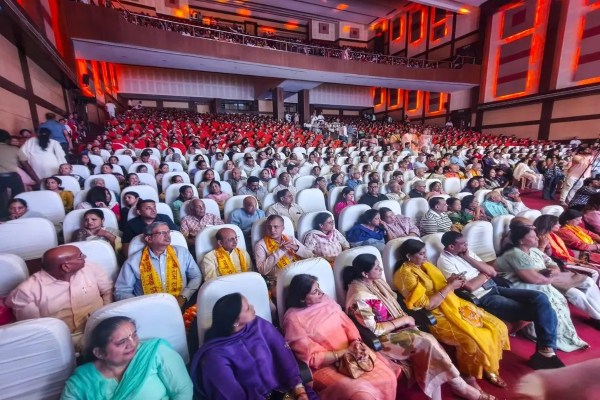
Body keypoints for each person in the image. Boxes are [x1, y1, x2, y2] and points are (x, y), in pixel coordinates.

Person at [344, 254, 495, 400]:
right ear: (365, 274)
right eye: (377, 268)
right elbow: (374, 329)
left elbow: (395, 302)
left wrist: (405, 321)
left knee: (430, 348)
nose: (381, 270)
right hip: (382, 338)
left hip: (399, 328)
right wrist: (404, 320)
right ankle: (461, 388)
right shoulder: (360, 296)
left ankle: (458, 389)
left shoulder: (375, 282)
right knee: (427, 342)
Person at [438, 232, 564, 369]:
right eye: (463, 244)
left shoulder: (466, 252)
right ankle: (546, 352)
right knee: (546, 311)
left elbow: (491, 270)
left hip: (495, 287)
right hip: (483, 297)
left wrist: (468, 258)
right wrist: (486, 273)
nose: (466, 245)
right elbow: (470, 286)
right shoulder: (444, 262)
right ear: (451, 247)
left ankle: (545, 351)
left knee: (540, 297)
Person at [394, 239, 510, 388]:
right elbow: (428, 305)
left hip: (453, 303)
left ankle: (487, 365)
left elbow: (438, 284)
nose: (426, 256)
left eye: (425, 252)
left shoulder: (425, 264)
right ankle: (468, 375)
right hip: (436, 313)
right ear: (409, 256)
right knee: (471, 340)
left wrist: (450, 280)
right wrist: (449, 286)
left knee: (498, 326)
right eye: (422, 254)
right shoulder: (405, 275)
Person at [283, 274, 398, 400]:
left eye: (319, 287)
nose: (321, 292)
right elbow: (312, 357)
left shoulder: (326, 300)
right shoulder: (293, 318)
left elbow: (347, 323)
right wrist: (343, 352)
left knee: (388, 377)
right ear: (302, 299)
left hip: (354, 351)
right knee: (361, 394)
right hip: (327, 366)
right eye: (315, 292)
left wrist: (355, 342)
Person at [191, 293, 316, 400]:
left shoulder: (259, 325)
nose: (252, 307)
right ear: (235, 322)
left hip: (285, 389)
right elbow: (232, 395)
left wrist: (299, 389)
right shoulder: (215, 356)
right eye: (247, 309)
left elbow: (283, 355)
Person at [495, 225, 590, 349]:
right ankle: (545, 337)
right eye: (533, 237)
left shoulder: (534, 250)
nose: (537, 239)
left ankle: (564, 336)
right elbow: (534, 279)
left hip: (537, 284)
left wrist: (553, 271)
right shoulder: (514, 254)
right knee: (548, 298)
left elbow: (552, 264)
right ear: (522, 241)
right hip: (516, 286)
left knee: (559, 298)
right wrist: (550, 278)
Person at [5, 245, 112, 350]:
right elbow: (36, 329)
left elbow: (107, 291)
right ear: (66, 267)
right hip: (63, 339)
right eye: (80, 256)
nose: (85, 257)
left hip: (100, 327)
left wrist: (105, 318)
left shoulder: (91, 268)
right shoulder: (26, 292)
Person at [61, 316, 193, 400]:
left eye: (134, 335)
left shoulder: (154, 352)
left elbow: (183, 391)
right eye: (121, 342)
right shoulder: (82, 381)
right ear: (100, 353)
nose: (132, 343)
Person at [115, 222, 202, 307]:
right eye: (162, 233)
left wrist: (184, 296)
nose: (167, 236)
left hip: (181, 306)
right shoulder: (133, 261)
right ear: (149, 239)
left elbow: (196, 276)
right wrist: (140, 306)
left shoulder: (182, 253)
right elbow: (122, 291)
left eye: (168, 232)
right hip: (147, 309)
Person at [255, 215, 314, 290]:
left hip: (301, 274)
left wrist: (297, 248)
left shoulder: (290, 238)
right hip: (280, 281)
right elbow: (262, 270)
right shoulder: (260, 245)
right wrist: (281, 251)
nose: (272, 230)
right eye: (269, 227)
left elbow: (310, 255)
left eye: (276, 227)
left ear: (283, 228)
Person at [534, 214, 600, 278]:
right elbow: (550, 256)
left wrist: (575, 260)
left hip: (568, 258)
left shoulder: (552, 235)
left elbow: (562, 252)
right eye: (557, 224)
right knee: (595, 271)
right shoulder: (541, 237)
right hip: (560, 263)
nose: (559, 225)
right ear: (550, 225)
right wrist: (544, 245)